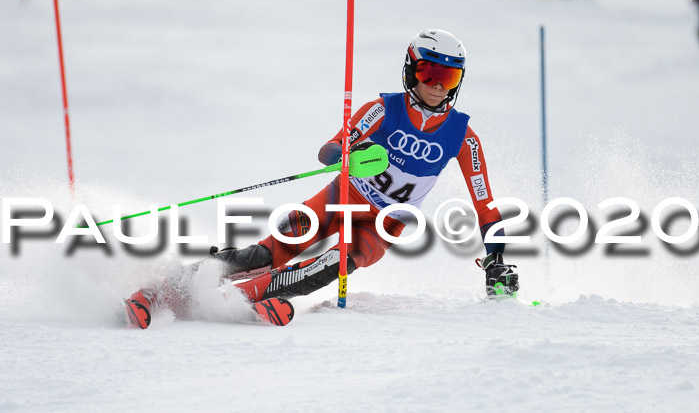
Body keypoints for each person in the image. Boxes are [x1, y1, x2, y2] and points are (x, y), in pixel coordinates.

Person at [124, 29, 520, 329]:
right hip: (340, 197)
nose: (436, 84)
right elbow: (329, 151)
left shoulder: (463, 137)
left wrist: (497, 259)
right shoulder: (382, 110)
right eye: (429, 71)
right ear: (411, 71)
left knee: (338, 262)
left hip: (384, 224)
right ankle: (160, 290)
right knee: (265, 254)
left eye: (448, 77)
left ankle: (244, 298)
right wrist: (352, 155)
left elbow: (484, 204)